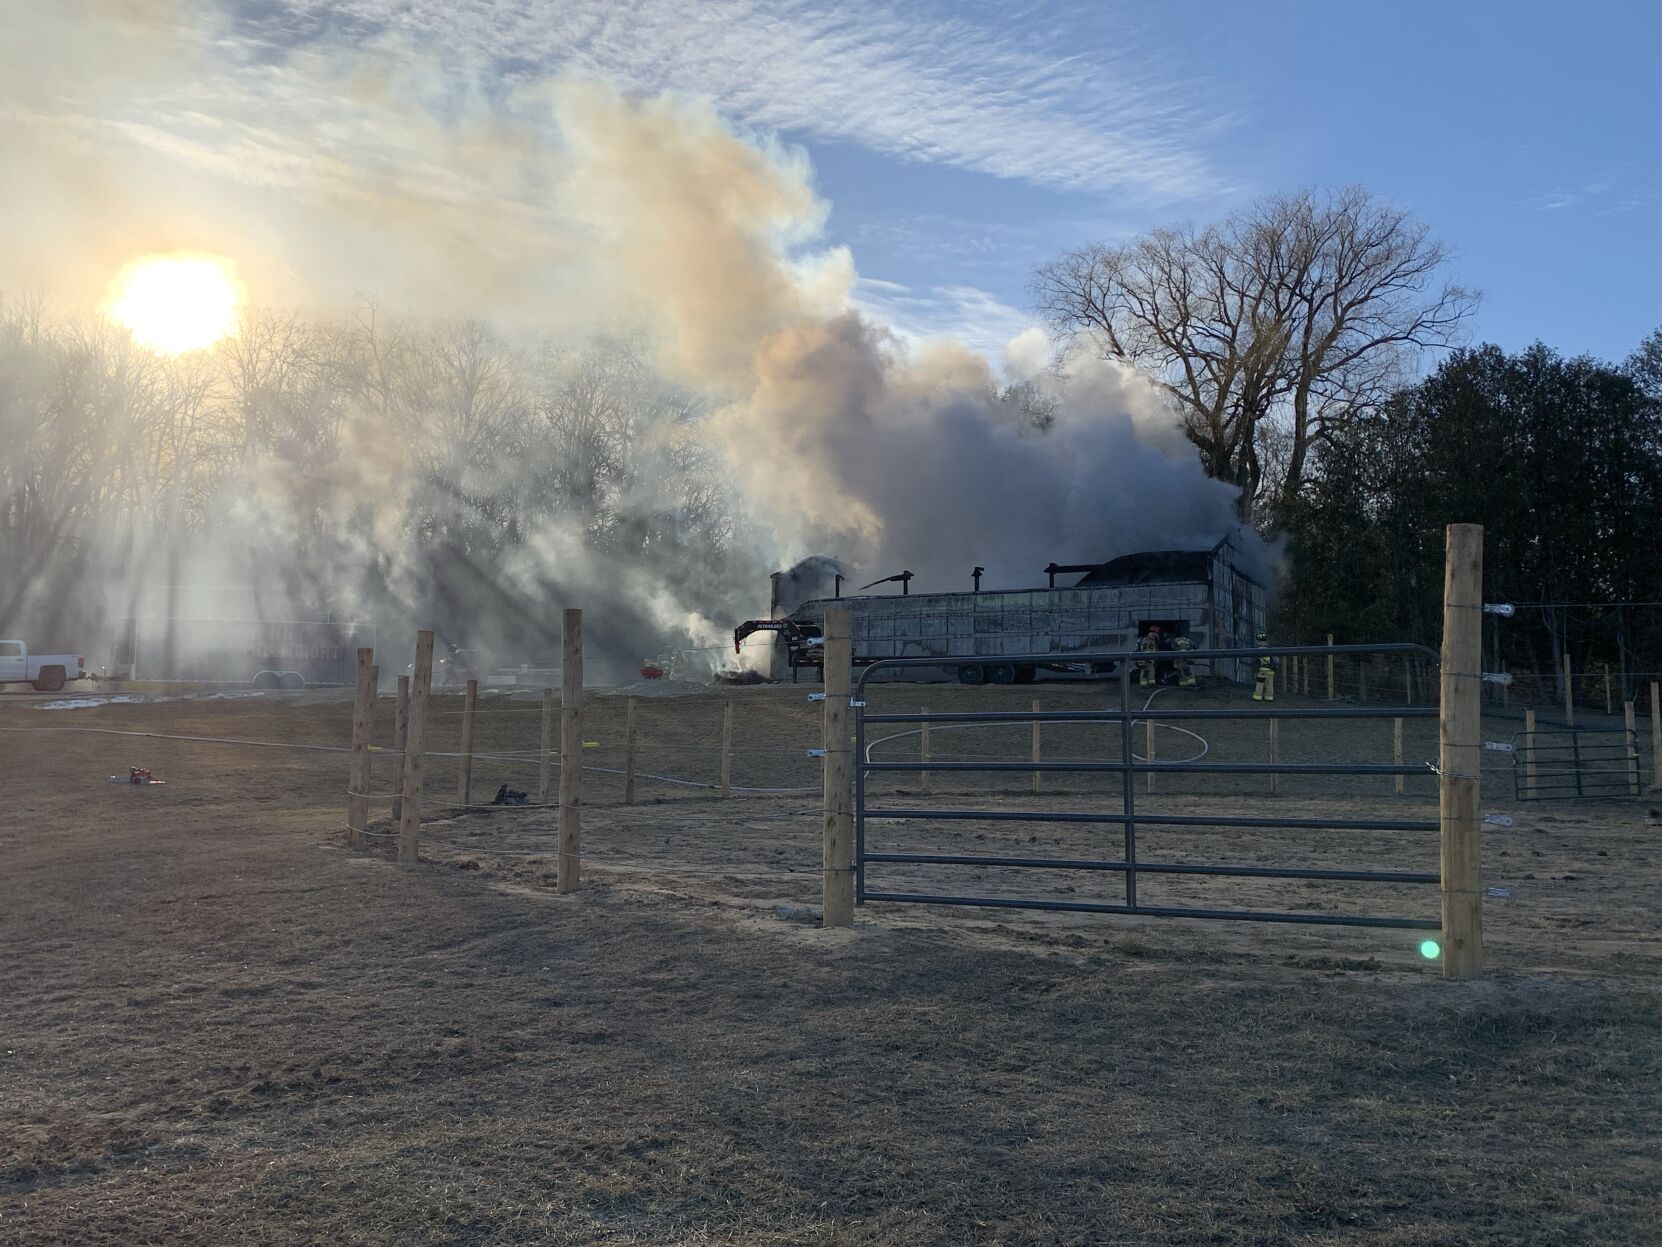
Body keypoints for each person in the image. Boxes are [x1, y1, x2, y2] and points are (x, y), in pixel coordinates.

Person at [1252, 631, 1276, 702]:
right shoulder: (1270, 650)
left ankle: (1257, 697)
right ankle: (1269, 697)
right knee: (1270, 686)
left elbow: (1255, 660)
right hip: (1271, 671)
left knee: (1260, 684)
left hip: (1262, 671)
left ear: (1257, 641)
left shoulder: (1258, 650)